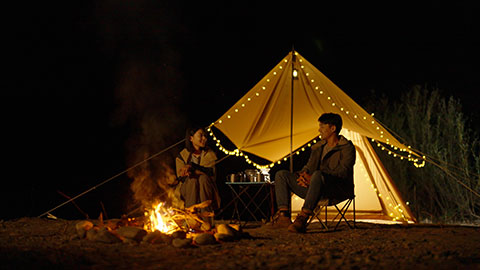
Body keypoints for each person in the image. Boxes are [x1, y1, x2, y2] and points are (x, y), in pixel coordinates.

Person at [272, 113, 356, 233]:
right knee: (281, 175)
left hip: (336, 189)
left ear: (333, 128)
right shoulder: (318, 147)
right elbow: (309, 167)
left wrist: (316, 176)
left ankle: (302, 218)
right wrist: (303, 175)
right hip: (314, 188)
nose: (319, 130)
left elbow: (343, 171)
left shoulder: (347, 148)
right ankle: (283, 217)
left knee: (317, 175)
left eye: (322, 126)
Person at [175, 127, 221, 226]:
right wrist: (189, 172)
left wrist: (192, 168)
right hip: (187, 188)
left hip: (206, 187)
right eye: (201, 135)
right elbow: (180, 177)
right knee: (192, 180)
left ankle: (206, 222)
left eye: (205, 136)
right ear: (191, 138)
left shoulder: (210, 154)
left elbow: (210, 173)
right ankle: (191, 221)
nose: (204, 138)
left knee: (203, 179)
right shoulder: (182, 155)